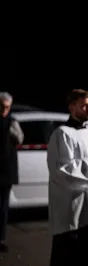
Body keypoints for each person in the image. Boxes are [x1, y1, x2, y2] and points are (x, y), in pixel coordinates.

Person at [46, 89, 88, 266]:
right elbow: (60, 171)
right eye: (84, 106)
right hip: (70, 208)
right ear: (72, 107)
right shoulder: (61, 134)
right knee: (66, 255)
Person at [0, 92, 24, 252]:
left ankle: (0, 239)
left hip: (6, 172)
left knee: (2, 209)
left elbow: (20, 138)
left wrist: (12, 128)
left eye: (7, 107)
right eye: (1, 107)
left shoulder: (11, 122)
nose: (4, 110)